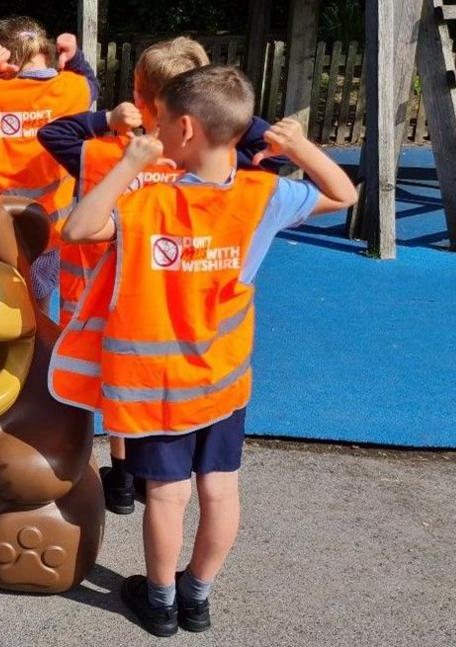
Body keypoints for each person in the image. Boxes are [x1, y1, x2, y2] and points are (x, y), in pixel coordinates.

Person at [59, 65, 357, 636]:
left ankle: (162, 601)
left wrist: (128, 164)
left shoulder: (148, 205)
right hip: (222, 378)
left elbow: (78, 229)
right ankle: (198, 596)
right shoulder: (263, 194)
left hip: (156, 384)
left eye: (163, 124)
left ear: (186, 128)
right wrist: (299, 145)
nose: (158, 131)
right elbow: (342, 195)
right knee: (220, 488)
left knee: (168, 495)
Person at [42, 37, 288, 517]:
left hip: (99, 297)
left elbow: (55, 135)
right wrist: (223, 106)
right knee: (164, 395)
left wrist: (104, 121)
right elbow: (266, 144)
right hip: (175, 304)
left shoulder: (105, 153)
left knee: (111, 389)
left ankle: (120, 477)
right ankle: (155, 477)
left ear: (139, 97)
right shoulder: (216, 160)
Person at [0, 16, 98, 306]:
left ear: (6, 60)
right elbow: (92, 84)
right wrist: (75, 57)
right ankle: (36, 346)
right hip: (50, 223)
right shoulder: (72, 89)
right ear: (45, 50)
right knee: (38, 303)